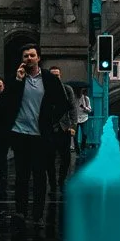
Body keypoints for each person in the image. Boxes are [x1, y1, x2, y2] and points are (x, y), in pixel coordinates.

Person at [6, 42, 72, 221]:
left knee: (39, 174)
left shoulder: (50, 79)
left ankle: (37, 212)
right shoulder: (16, 79)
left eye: (32, 55)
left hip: (40, 135)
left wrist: (49, 121)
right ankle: (20, 211)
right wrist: (18, 80)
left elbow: (63, 104)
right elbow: (7, 102)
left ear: (39, 58)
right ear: (22, 60)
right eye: (26, 56)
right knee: (21, 175)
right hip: (20, 133)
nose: (29, 58)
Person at [47, 66, 74, 194]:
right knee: (49, 158)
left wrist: (73, 126)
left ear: (60, 76)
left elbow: (73, 109)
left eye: (57, 75)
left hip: (64, 128)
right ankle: (52, 184)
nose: (55, 77)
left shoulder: (67, 90)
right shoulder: (44, 90)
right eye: (53, 75)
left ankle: (61, 180)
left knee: (66, 158)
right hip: (49, 129)